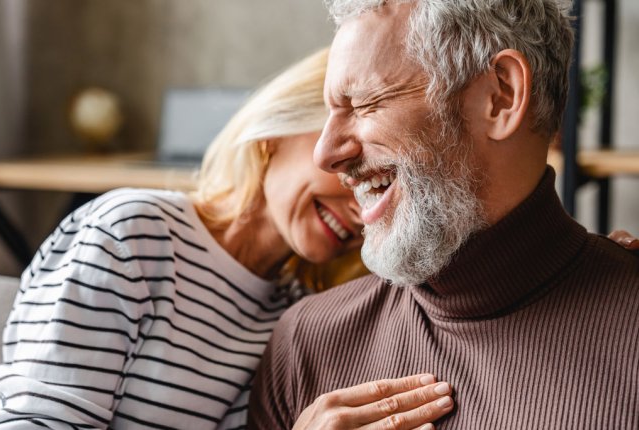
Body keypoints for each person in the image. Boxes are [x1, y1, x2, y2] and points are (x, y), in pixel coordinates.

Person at [0, 48, 455, 430]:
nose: (362, 206)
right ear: (279, 131)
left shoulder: (295, 315)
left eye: (382, 184)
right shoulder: (132, 235)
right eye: (352, 166)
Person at [249, 1, 639, 429]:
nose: (326, 154)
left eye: (364, 104)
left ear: (500, 96)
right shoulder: (306, 343)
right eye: (330, 113)